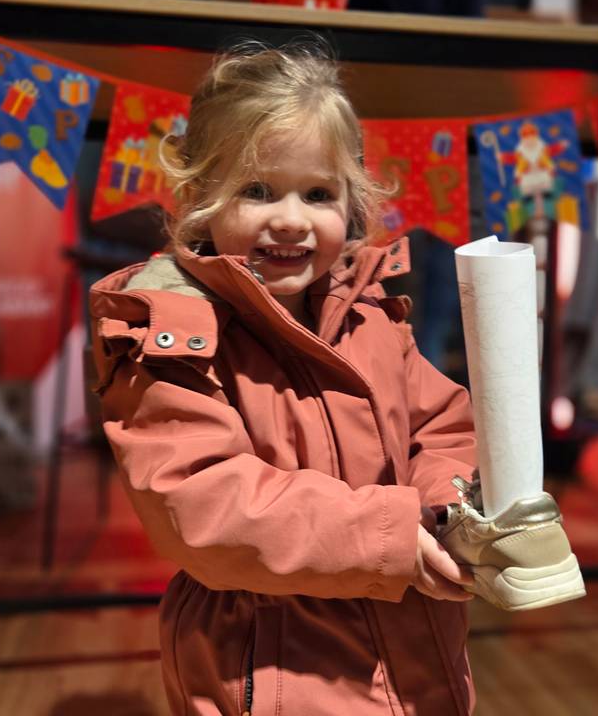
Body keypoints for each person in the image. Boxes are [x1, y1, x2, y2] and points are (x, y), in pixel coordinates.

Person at [88, 41, 480, 715]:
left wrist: (445, 511)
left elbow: (439, 425)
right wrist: (391, 538)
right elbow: (204, 505)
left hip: (409, 650)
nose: (292, 219)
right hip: (268, 666)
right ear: (200, 197)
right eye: (257, 191)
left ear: (352, 200)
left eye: (319, 193)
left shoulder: (371, 315)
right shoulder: (173, 336)